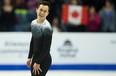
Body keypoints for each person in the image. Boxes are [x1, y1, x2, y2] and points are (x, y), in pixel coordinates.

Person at [26, 1, 53, 76]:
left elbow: (46, 48)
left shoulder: (47, 28)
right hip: (36, 57)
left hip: (44, 58)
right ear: (36, 9)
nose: (42, 13)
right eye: (41, 10)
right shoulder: (33, 23)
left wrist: (38, 62)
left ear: (47, 13)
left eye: (45, 11)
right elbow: (33, 41)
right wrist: (29, 57)